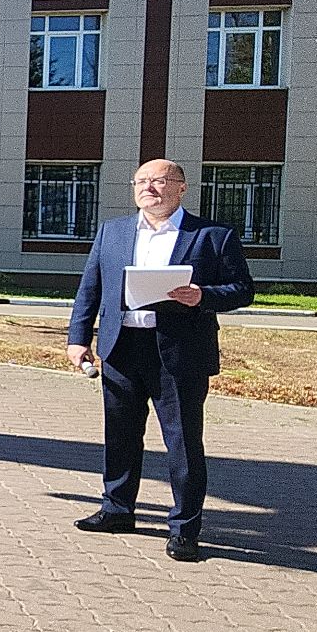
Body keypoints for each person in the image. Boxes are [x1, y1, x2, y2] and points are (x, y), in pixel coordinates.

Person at [66, 158, 254, 562]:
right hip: (122, 347)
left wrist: (203, 296)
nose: (148, 188)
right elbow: (90, 288)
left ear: (181, 188)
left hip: (179, 354)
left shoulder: (212, 236)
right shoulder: (112, 232)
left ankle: (185, 529)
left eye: (159, 181)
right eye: (141, 181)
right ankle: (117, 510)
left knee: (183, 442)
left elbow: (242, 289)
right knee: (120, 436)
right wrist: (78, 338)